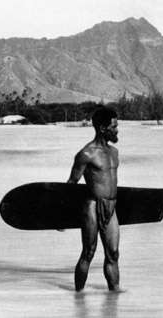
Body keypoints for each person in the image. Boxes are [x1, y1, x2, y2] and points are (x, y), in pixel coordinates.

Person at [67, 106, 121, 292]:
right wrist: (61, 214)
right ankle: (79, 297)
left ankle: (114, 298)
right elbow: (72, 183)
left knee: (113, 253)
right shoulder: (86, 154)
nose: (117, 130)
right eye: (113, 127)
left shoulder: (114, 152)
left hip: (111, 206)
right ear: (102, 128)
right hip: (92, 205)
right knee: (89, 252)